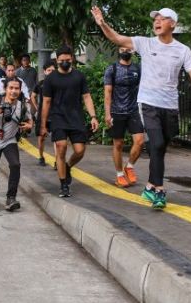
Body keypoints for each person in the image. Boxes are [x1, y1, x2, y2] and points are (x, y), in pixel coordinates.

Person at [92, 5, 191, 209]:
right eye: (155, 19)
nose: (157, 21)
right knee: (156, 143)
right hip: (148, 103)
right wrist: (102, 23)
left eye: (162, 18)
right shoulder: (145, 43)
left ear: (173, 24)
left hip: (170, 106)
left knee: (161, 147)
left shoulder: (183, 51)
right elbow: (117, 39)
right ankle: (159, 191)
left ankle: (150, 186)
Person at [40, 46, 99, 198]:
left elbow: (86, 97)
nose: (65, 63)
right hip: (58, 117)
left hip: (76, 118)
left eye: (67, 60)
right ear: (57, 61)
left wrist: (93, 116)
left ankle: (67, 166)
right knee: (61, 147)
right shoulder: (50, 79)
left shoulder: (79, 76)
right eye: (61, 61)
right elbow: (46, 102)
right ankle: (63, 184)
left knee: (80, 151)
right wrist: (43, 124)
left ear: (72, 59)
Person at [0, 78, 33, 211]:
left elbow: (30, 122)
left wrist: (28, 126)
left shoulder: (22, 106)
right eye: (11, 88)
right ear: (5, 89)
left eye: (17, 88)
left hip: (10, 140)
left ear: (20, 90)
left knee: (15, 165)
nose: (14, 91)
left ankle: (11, 198)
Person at [104, 46, 144, 188]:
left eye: (129, 48)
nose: (125, 51)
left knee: (139, 141)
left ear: (133, 51)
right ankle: (120, 175)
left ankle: (130, 166)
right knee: (118, 144)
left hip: (133, 111)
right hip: (116, 112)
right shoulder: (112, 69)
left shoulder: (138, 69)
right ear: (119, 50)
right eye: (123, 48)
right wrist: (107, 114)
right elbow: (108, 93)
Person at [31, 62, 56, 166]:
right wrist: (37, 108)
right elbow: (32, 96)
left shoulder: (59, 84)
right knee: (41, 138)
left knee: (57, 139)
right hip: (42, 115)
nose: (51, 72)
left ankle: (57, 161)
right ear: (45, 72)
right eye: (49, 70)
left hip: (55, 114)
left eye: (53, 70)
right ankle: (41, 157)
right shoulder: (40, 84)